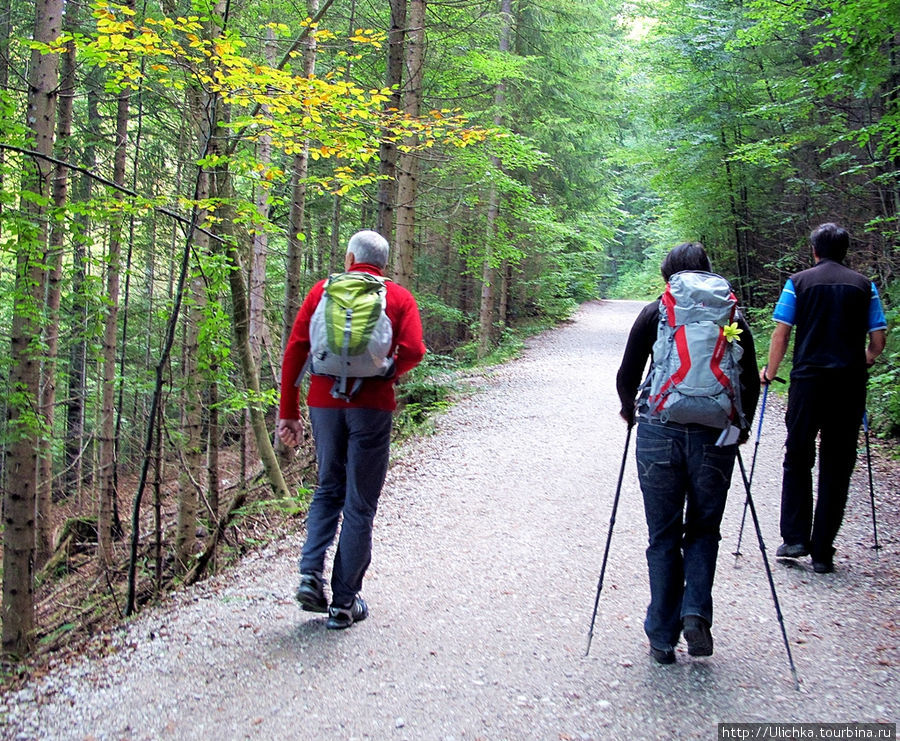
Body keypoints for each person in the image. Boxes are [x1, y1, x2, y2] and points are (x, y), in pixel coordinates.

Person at [616, 242, 760, 664]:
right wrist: (741, 426)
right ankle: (695, 611)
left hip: (659, 430)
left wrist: (630, 411)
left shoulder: (656, 311)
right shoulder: (730, 314)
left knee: (662, 535)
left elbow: (627, 373)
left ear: (669, 277)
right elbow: (748, 379)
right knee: (703, 528)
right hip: (715, 436)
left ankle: (662, 637)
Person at [277, 230, 426, 629]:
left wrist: (287, 411)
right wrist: (389, 371)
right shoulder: (397, 297)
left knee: (328, 487)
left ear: (349, 258)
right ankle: (344, 604)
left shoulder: (321, 291)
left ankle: (311, 574)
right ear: (383, 264)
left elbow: (296, 348)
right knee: (360, 503)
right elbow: (415, 350)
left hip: (324, 403)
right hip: (372, 407)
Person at [762, 222, 887, 574]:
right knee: (837, 464)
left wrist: (770, 373)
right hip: (848, 385)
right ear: (845, 251)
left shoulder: (798, 283)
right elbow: (878, 340)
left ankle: (795, 537)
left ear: (814, 249)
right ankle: (822, 551)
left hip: (807, 382)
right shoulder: (865, 286)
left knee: (798, 455)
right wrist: (864, 359)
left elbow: (782, 333)